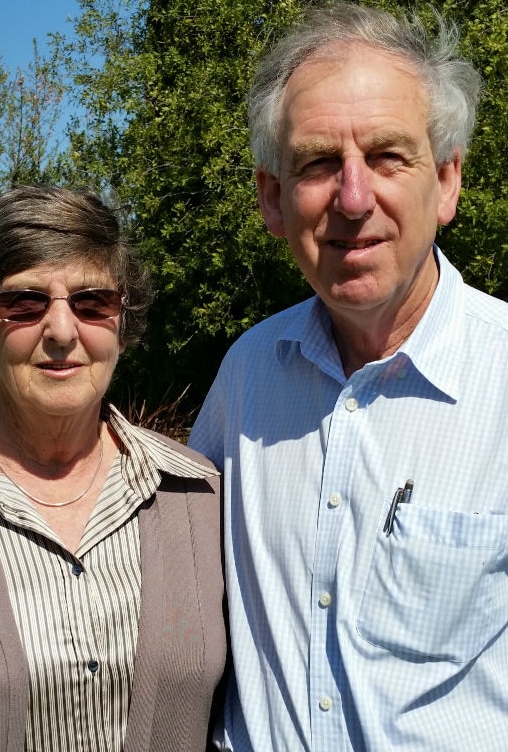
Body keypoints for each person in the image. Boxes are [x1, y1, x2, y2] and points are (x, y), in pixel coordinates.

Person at [188, 4, 508, 751]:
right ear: (272, 198)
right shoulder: (245, 378)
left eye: (389, 156)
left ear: (448, 181)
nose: (353, 199)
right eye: (318, 163)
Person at [0, 185, 226, 752]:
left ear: (123, 322)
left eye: (92, 302)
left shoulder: (201, 497)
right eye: (23, 303)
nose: (62, 332)